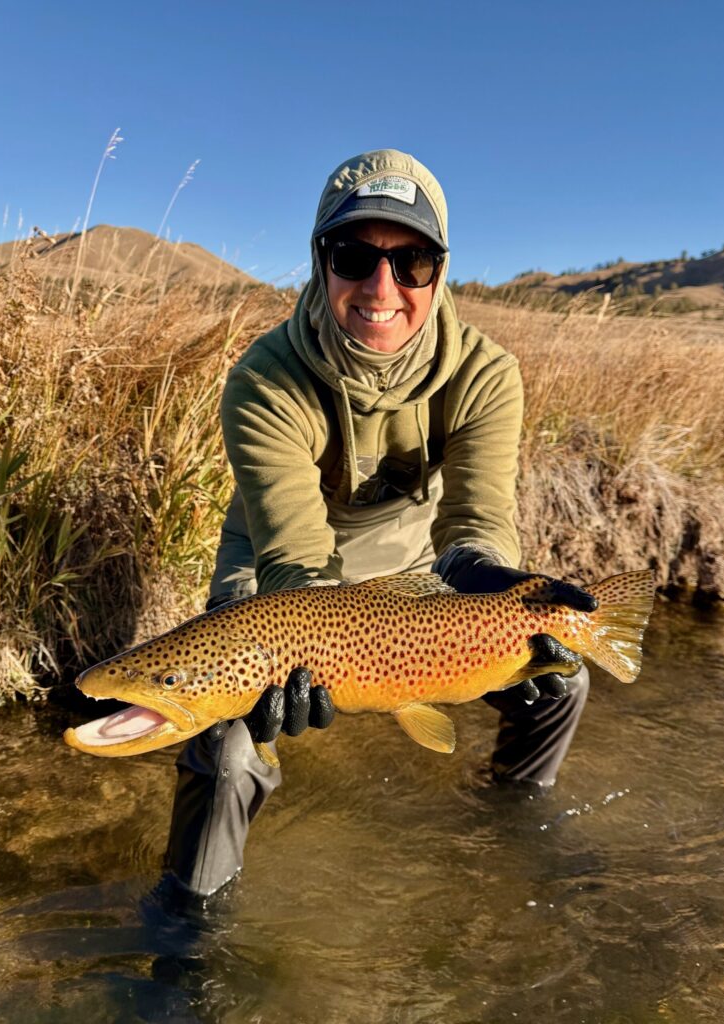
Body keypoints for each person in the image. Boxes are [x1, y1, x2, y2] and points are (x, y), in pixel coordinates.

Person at [162, 149, 594, 899]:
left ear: (441, 268)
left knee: (564, 676)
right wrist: (310, 644)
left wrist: (499, 582)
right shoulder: (266, 378)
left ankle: (512, 825)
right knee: (228, 739)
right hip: (280, 573)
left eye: (413, 261)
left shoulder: (486, 374)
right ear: (320, 261)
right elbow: (295, 561)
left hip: (423, 566)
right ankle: (187, 923)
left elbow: (475, 525)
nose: (382, 287)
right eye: (354, 256)